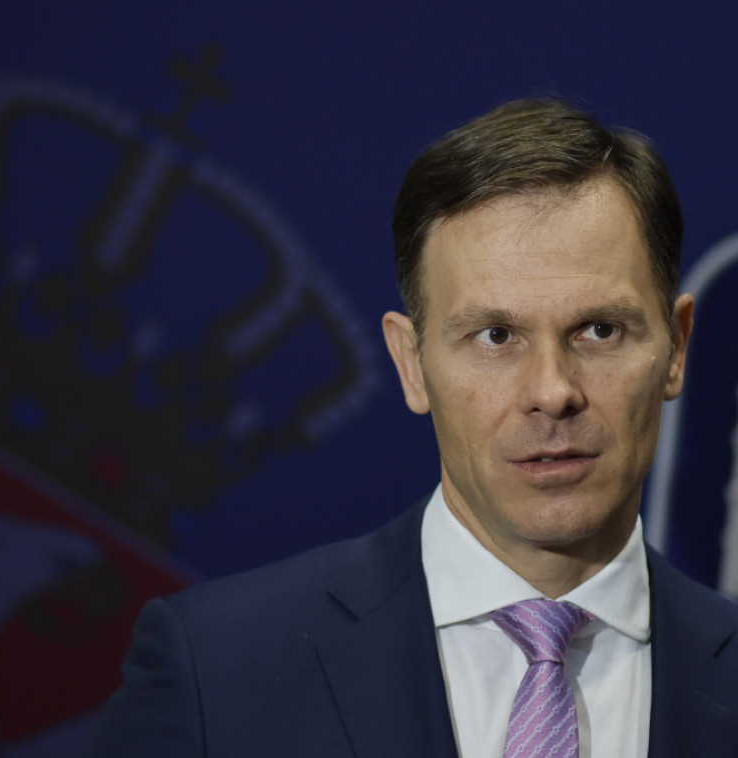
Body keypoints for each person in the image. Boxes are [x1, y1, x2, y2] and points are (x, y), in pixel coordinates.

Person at [87, 99, 738, 758]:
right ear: (411, 364)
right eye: (495, 335)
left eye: (600, 330)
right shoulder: (214, 671)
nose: (552, 391)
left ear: (677, 348)